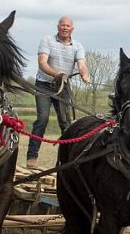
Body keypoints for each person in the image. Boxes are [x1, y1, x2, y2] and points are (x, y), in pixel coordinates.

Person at [26, 16, 91, 168]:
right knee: (42, 119)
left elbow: (81, 64)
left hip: (63, 87)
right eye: (62, 25)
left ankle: (66, 159)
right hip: (44, 85)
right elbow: (42, 63)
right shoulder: (47, 41)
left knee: (66, 123)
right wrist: (57, 74)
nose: (65, 28)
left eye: (68, 26)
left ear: (72, 29)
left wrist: (84, 73)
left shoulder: (77, 46)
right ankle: (32, 157)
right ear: (58, 27)